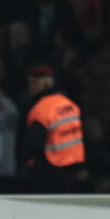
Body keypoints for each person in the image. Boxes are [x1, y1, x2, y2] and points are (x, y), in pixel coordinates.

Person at [23, 65, 86, 193]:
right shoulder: (69, 104)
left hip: (50, 169)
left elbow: (34, 144)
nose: (30, 86)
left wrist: (28, 165)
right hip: (73, 167)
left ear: (46, 83)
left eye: (34, 82)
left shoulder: (41, 109)